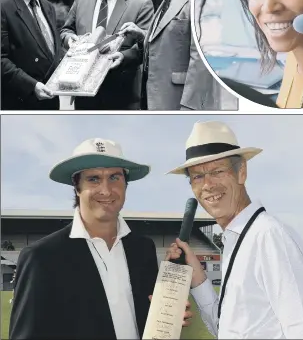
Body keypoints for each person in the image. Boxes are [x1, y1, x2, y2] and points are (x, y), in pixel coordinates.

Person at [9, 137, 192, 339]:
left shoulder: (143, 248)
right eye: (93, 179)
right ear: (77, 188)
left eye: (114, 177)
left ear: (125, 185)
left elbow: (140, 319)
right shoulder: (40, 257)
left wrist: (165, 316)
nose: (106, 190)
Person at [166, 120, 303, 339]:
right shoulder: (238, 239)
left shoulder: (268, 235)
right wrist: (197, 277)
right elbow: (227, 328)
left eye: (217, 171)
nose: (207, 184)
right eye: (197, 176)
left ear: (241, 172)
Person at [114, 0, 225, 110]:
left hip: (181, 103)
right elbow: (168, 44)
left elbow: (203, 60)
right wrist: (141, 38)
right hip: (159, 100)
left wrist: (190, 107)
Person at [60, 0, 154, 110]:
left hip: (122, 95)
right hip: (84, 94)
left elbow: (148, 45)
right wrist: (70, 40)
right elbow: (65, 31)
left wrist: (123, 56)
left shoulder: (142, 3)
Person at [1, 0, 62, 110]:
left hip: (51, 101)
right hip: (18, 103)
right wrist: (32, 86)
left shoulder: (48, 7)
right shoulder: (2, 6)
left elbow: (50, 52)